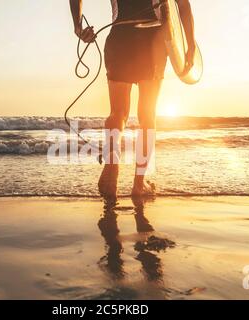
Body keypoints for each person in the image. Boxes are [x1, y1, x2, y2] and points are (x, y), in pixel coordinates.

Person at [70, 0, 196, 199]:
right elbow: (183, 5)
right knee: (147, 115)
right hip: (152, 40)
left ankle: (112, 167)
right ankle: (139, 183)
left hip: (120, 38)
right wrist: (190, 44)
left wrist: (78, 26)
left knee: (117, 113)